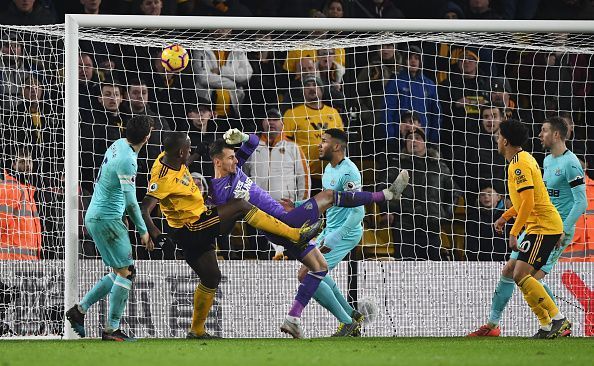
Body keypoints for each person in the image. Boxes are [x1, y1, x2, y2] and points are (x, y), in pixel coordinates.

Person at [209, 128, 409, 338]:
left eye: (234, 156)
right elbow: (223, 229)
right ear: (218, 162)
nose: (235, 160)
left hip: (285, 223)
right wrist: (235, 207)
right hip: (283, 223)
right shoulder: (219, 191)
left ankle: (295, 318)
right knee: (330, 196)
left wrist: (242, 137)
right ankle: (386, 195)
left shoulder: (235, 169)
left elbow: (254, 142)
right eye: (230, 158)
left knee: (318, 268)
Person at [139, 131, 323, 339]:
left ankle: (196, 330)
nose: (190, 150)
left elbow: (180, 169)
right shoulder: (162, 179)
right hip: (192, 226)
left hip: (196, 226)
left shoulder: (169, 158)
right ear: (180, 151)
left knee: (211, 277)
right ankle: (296, 235)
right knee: (240, 205)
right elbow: (144, 208)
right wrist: (156, 234)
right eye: (188, 148)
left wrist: (196, 155)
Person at [469, 116, 586, 337]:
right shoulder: (523, 160)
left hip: (544, 226)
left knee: (523, 275)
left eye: (498, 136)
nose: (496, 140)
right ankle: (545, 324)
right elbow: (525, 202)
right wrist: (505, 216)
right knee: (514, 272)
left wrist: (514, 232)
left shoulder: (520, 165)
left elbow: (530, 202)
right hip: (538, 225)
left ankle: (558, 320)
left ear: (505, 141)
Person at [65, 116, 156, 341]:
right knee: (127, 272)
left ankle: (79, 310)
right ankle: (111, 330)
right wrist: (143, 231)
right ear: (148, 137)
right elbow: (131, 201)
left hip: (98, 215)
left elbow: (112, 186)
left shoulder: (117, 145)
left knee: (117, 272)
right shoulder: (128, 161)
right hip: (106, 219)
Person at [304, 129, 366, 336]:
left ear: (337, 146)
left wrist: (336, 236)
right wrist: (296, 206)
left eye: (323, 141)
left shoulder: (349, 172)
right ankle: (352, 315)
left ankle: (348, 322)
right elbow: (325, 202)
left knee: (308, 275)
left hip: (345, 232)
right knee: (309, 272)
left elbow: (358, 211)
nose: (319, 145)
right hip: (330, 230)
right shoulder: (329, 170)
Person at [242, 108, 310, 258]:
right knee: (259, 252)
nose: (271, 122)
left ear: (282, 123)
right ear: (262, 122)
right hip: (256, 209)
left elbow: (304, 178)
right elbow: (243, 176)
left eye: (275, 119)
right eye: (268, 118)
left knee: (287, 253)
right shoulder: (252, 147)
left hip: (283, 209)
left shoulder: (293, 147)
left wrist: (299, 205)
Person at [283, 74, 344, 192]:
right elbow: (285, 144)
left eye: (315, 85)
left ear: (322, 90)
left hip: (332, 174)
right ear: (303, 91)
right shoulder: (292, 113)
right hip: (305, 176)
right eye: (307, 86)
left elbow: (341, 142)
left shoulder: (333, 112)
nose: (311, 88)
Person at [0, 148, 41, 260]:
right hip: (12, 260)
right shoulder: (9, 188)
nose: (27, 165)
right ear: (13, 164)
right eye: (22, 162)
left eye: (29, 161)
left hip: (27, 260)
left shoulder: (28, 191)